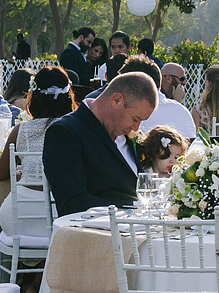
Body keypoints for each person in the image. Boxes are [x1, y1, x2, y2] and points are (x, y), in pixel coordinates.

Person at [42, 70, 156, 216]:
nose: (136, 128)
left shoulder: (129, 137)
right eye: (135, 119)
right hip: (95, 234)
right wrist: (133, 206)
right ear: (117, 100)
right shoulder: (65, 132)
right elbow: (72, 203)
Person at [0, 64, 72, 187]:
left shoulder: (21, 130)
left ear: (34, 96)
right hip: (63, 202)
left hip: (24, 200)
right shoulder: (76, 128)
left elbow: (0, 174)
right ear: (68, 97)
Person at [143, 62, 199, 140]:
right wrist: (177, 103)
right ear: (169, 78)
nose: (184, 83)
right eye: (181, 79)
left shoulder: (175, 104)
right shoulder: (154, 100)